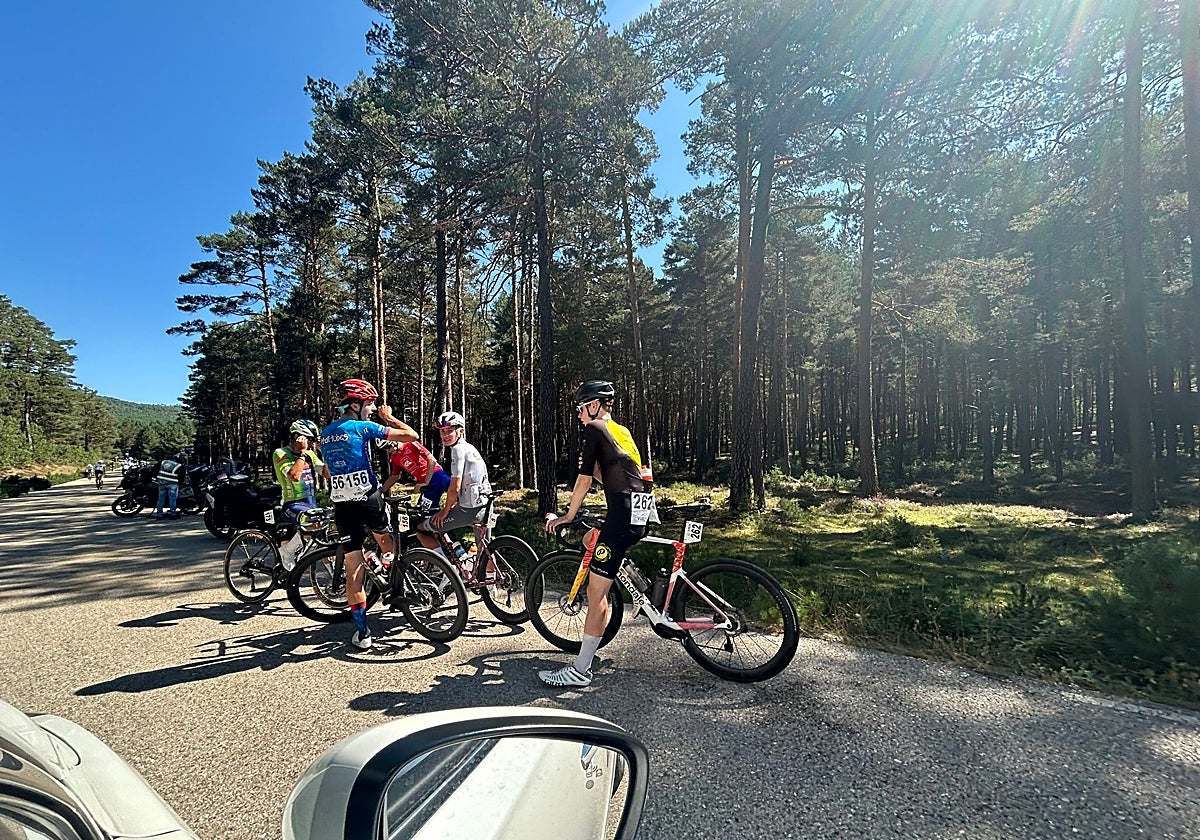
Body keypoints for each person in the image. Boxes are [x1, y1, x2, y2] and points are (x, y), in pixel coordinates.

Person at [540, 380, 651, 688]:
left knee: (595, 592)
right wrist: (599, 472)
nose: (578, 415)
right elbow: (624, 477)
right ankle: (635, 583)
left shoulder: (594, 430)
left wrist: (567, 516)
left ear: (594, 405)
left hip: (623, 514)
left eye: (580, 408)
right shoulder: (621, 432)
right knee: (592, 539)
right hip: (637, 510)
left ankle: (580, 670)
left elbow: (583, 482)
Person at [320, 379, 418, 650]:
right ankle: (395, 579)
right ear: (355, 404)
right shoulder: (362, 427)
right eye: (370, 403)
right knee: (389, 544)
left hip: (343, 506)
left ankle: (363, 633)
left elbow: (328, 471)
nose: (373, 408)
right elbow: (411, 436)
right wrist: (389, 418)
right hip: (368, 499)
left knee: (353, 570)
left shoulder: (325, 434)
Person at [419, 411, 492, 548]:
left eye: (450, 431)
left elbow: (455, 487)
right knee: (485, 550)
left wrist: (445, 511)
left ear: (461, 431)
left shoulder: (458, 450)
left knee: (422, 529)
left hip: (470, 510)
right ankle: (489, 570)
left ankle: (439, 567)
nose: (445, 436)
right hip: (486, 505)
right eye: (442, 432)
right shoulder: (470, 448)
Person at [380, 437, 452, 550]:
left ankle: (454, 546)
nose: (389, 451)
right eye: (385, 449)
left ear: (393, 441)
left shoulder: (411, 443)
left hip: (437, 476)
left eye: (388, 447)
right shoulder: (394, 458)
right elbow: (395, 476)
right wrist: (380, 491)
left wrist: (426, 482)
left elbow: (431, 460)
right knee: (427, 521)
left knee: (460, 498)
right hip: (428, 489)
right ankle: (443, 551)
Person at [272, 420, 324, 569]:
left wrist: (323, 451)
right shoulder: (281, 453)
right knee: (313, 522)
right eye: (309, 439)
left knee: (321, 536)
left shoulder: (310, 454)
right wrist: (301, 454)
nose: (310, 443)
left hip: (310, 503)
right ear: (297, 437)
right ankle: (288, 551)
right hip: (292, 504)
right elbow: (294, 476)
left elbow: (326, 473)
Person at [154, 453, 185, 520]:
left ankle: (159, 515)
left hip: (162, 484)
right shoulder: (179, 466)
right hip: (173, 485)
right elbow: (181, 478)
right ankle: (173, 514)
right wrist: (180, 483)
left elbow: (155, 470)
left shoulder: (164, 462)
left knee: (161, 500)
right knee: (172, 500)